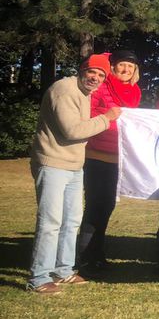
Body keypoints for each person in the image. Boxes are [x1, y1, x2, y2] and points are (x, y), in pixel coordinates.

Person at [27, 54, 122, 293]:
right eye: (92, 72)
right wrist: (106, 118)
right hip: (53, 163)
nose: (96, 78)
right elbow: (72, 131)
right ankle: (39, 277)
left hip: (73, 165)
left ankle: (64, 270)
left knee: (71, 220)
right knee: (51, 222)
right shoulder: (65, 90)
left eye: (101, 75)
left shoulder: (85, 94)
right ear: (82, 70)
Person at [78, 49, 142, 273]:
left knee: (107, 206)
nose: (126, 70)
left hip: (119, 158)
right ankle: (84, 259)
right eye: (122, 65)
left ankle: (97, 254)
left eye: (131, 67)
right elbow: (88, 116)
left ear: (135, 71)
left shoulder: (135, 92)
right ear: (113, 67)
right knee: (95, 206)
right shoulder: (100, 86)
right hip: (96, 155)